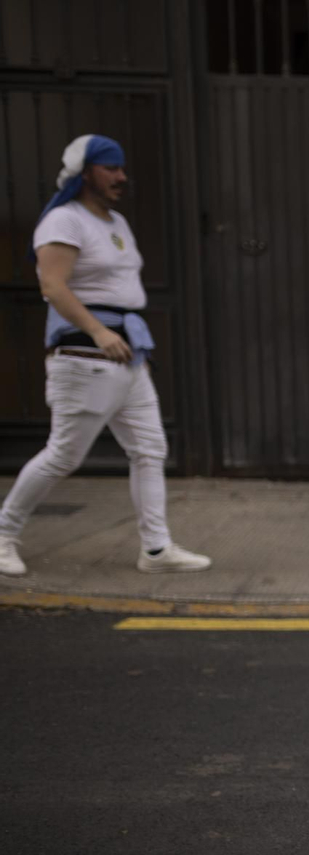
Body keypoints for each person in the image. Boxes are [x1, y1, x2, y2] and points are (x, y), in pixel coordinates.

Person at [0, 134, 210, 578]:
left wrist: (129, 345)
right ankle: (3, 534)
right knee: (64, 454)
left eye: (121, 167)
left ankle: (155, 549)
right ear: (85, 171)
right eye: (111, 167)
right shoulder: (63, 220)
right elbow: (52, 285)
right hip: (85, 351)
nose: (121, 176)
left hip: (125, 353)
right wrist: (98, 332)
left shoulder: (114, 222)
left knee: (150, 448)